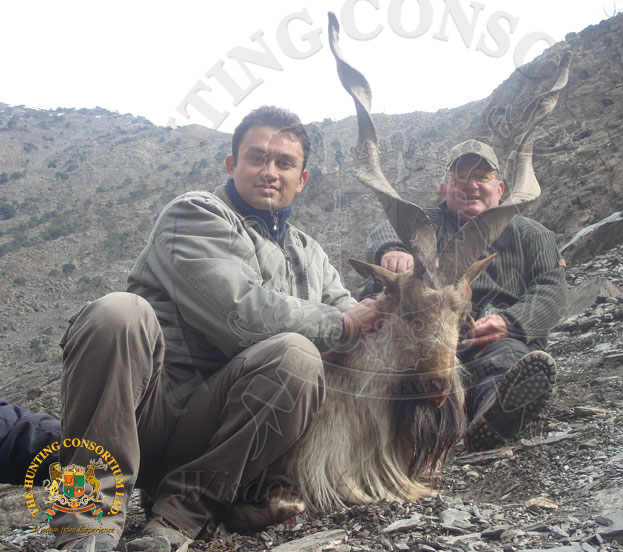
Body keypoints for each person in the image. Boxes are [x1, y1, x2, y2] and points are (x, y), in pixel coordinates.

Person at [53, 106, 383, 551]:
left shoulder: (311, 254)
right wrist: (341, 323)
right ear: (232, 165)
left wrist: (400, 303)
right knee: (118, 314)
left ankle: (180, 517)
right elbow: (241, 317)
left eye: (285, 163)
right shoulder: (193, 214)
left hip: (226, 440)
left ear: (301, 179)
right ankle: (84, 523)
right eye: (257, 157)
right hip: (151, 415)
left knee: (297, 359)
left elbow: (354, 316)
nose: (270, 171)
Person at [364, 140, 567, 452]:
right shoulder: (430, 223)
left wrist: (510, 322)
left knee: (507, 361)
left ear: (499, 188)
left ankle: (494, 415)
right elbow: (389, 229)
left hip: (494, 340)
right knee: (393, 318)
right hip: (432, 338)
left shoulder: (532, 234)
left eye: (482, 176)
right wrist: (393, 250)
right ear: (444, 190)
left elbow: (552, 291)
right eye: (460, 177)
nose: (471, 185)